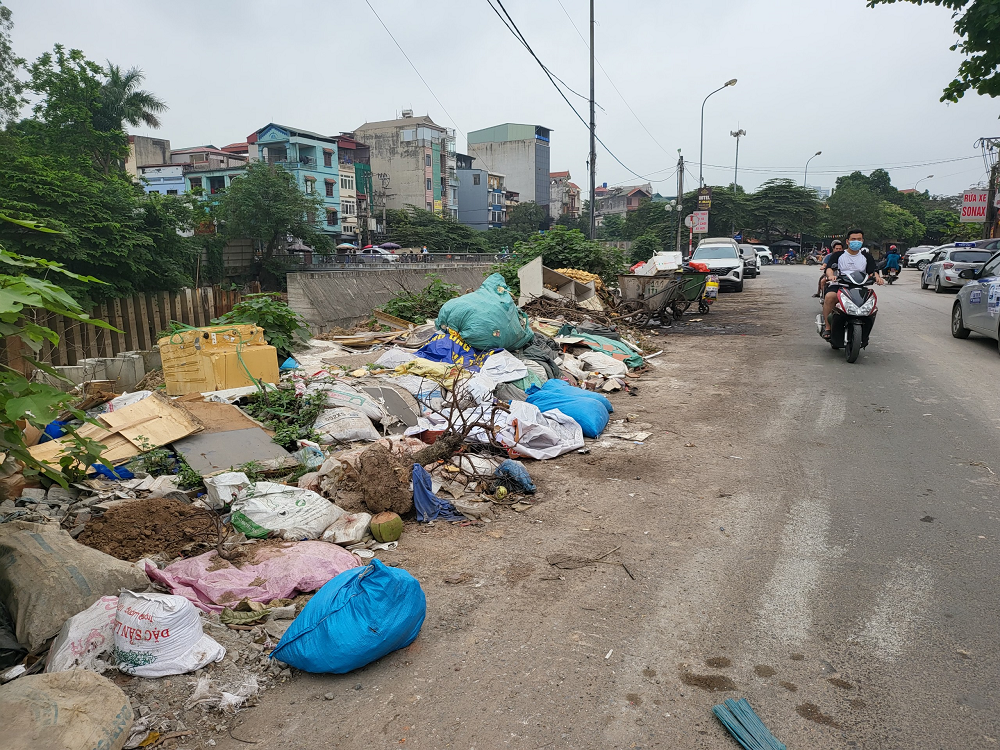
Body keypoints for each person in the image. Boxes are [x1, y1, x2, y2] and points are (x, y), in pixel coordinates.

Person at [821, 229, 884, 339]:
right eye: (853, 239)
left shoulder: (867, 257)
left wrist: (877, 278)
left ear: (862, 241)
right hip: (840, 285)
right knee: (830, 297)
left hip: (859, 287)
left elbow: (873, 272)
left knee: (872, 305)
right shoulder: (838, 255)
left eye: (859, 239)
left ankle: (865, 332)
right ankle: (828, 327)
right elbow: (829, 268)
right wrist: (831, 276)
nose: (856, 242)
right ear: (847, 241)